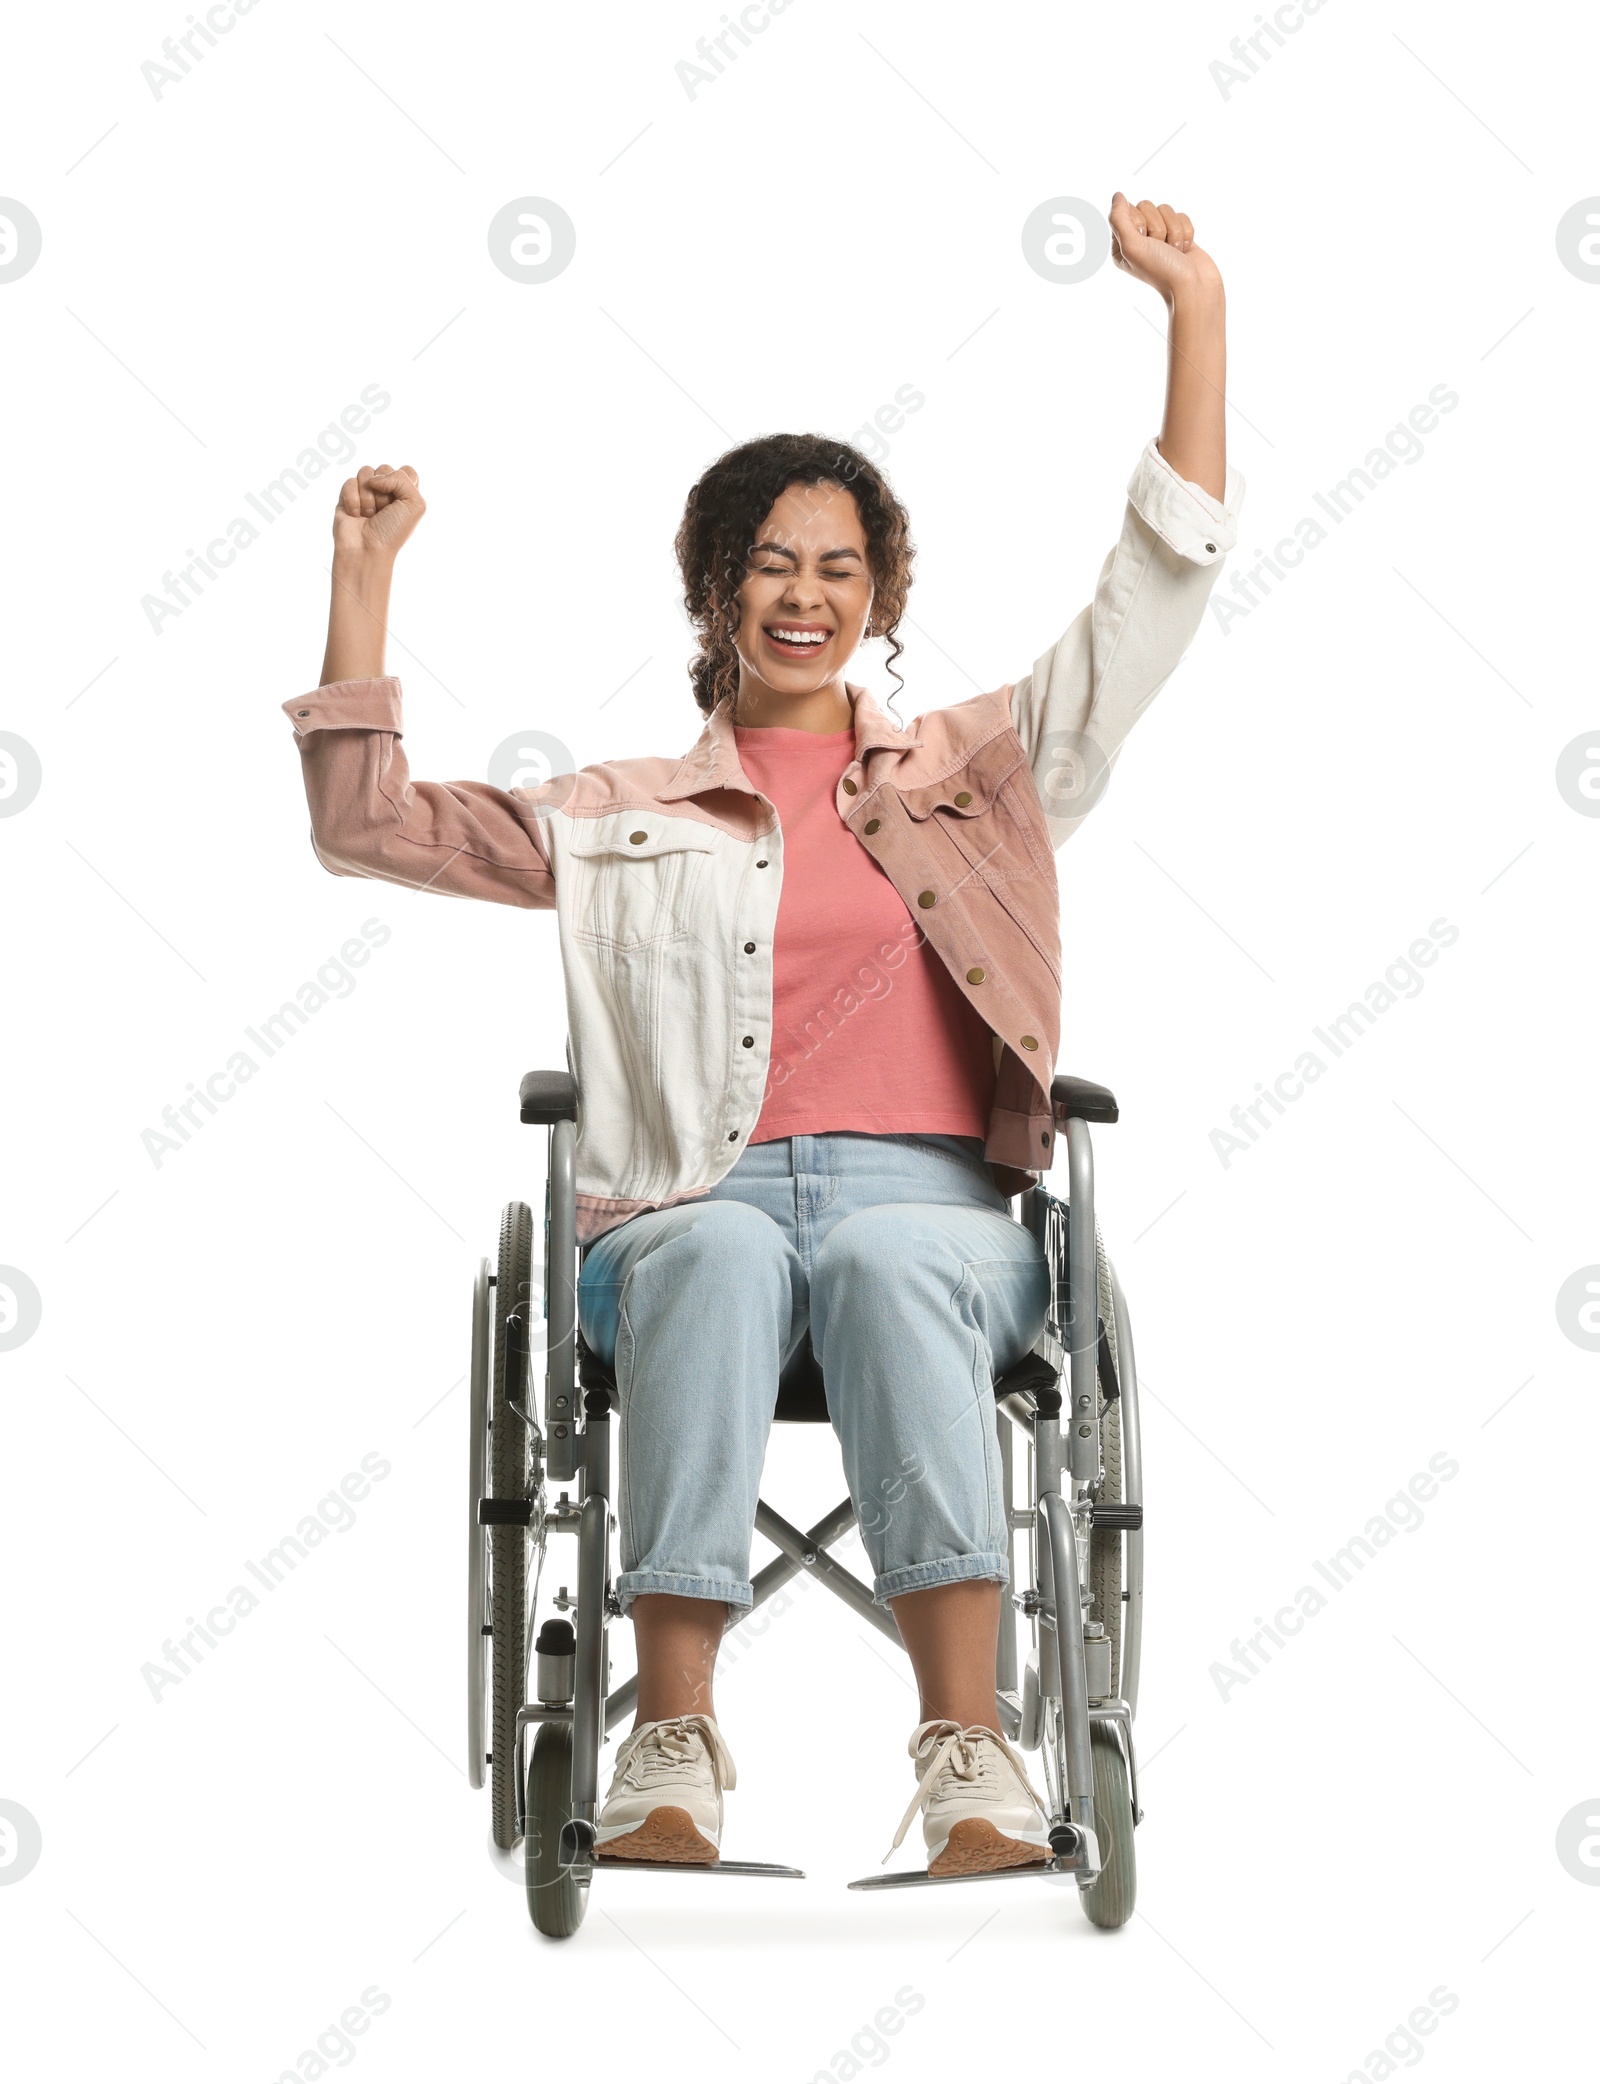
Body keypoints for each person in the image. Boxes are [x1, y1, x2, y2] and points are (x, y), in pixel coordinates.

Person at [285, 192, 1242, 1877]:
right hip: (686, 1198)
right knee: (718, 1260)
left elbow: (1153, 595)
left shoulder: (974, 771)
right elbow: (371, 826)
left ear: (880, 599)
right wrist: (361, 588)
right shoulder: (622, 809)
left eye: (840, 568)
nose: (803, 595)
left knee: (878, 1264)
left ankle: (970, 1755)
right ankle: (670, 1749)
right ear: (715, 591)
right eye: (770, 566)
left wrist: (1195, 319)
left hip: (934, 1212)